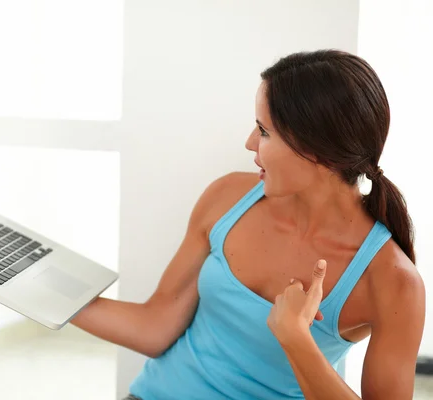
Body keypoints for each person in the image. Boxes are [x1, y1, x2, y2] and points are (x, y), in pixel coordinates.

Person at [71, 49, 426, 400]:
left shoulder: (394, 282)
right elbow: (155, 327)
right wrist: (41, 289)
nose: (249, 143)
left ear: (320, 152)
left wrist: (296, 339)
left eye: (264, 131)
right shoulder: (228, 197)